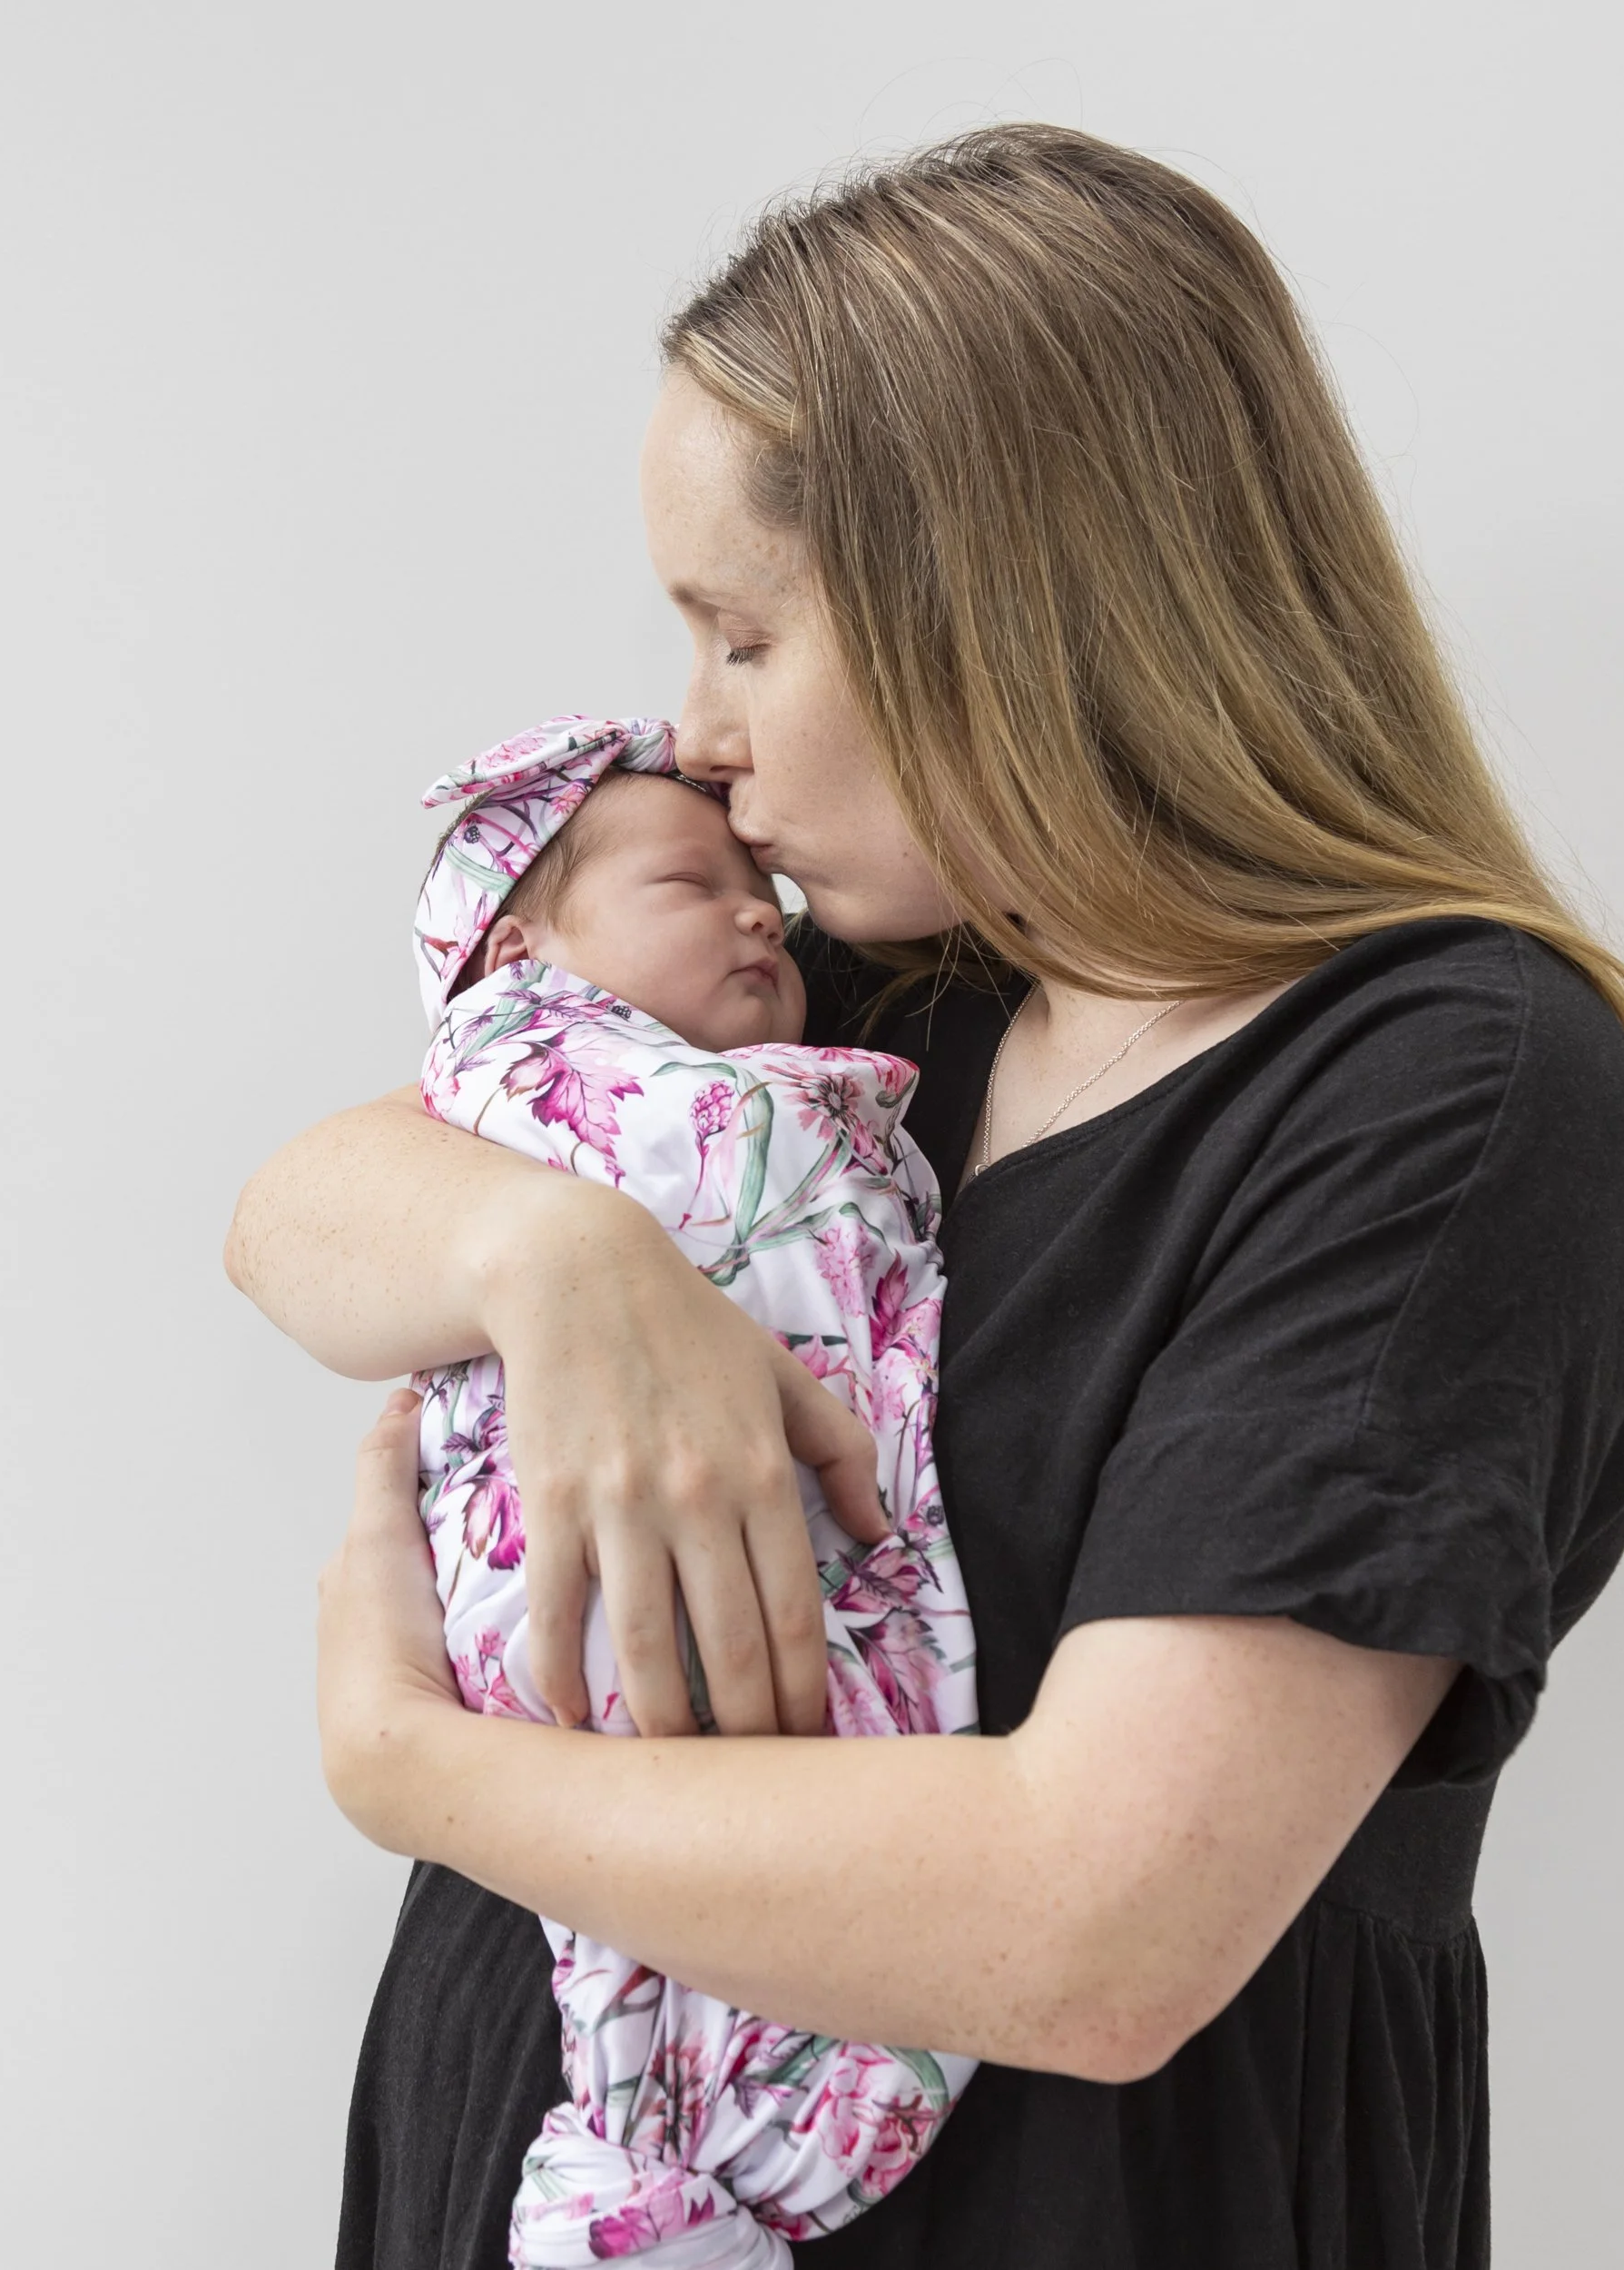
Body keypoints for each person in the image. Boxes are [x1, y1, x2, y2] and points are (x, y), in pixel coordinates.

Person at [226, 123, 1624, 2270]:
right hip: (541, 2157)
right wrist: (549, 1253)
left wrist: (404, 1767)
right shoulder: (878, 987)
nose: (693, 740)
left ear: (1003, 612)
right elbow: (304, 1206)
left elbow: (1094, 1928)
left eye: (741, 637)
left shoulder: (1444, 1088)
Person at [407, 712, 978, 2267]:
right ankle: (660, 2160)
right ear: (524, 954)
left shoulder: (873, 999)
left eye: (759, 896)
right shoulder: (533, 1083)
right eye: (689, 883)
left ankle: (673, 2162)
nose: (754, 912)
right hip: (573, 1677)